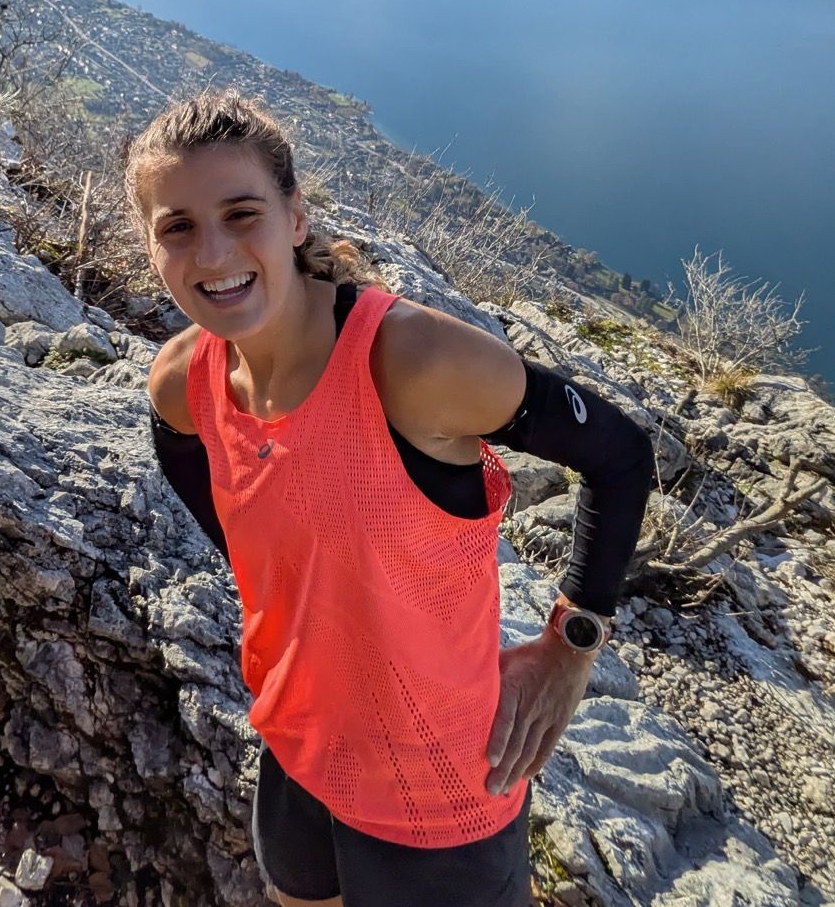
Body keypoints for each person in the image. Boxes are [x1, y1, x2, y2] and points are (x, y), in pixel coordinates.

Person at [123, 90, 656, 907]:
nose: (214, 252)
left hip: (439, 790)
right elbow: (187, 453)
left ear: (295, 217)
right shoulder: (183, 380)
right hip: (296, 743)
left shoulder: (410, 362)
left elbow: (620, 454)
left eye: (241, 213)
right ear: (151, 246)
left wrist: (571, 644)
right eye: (178, 227)